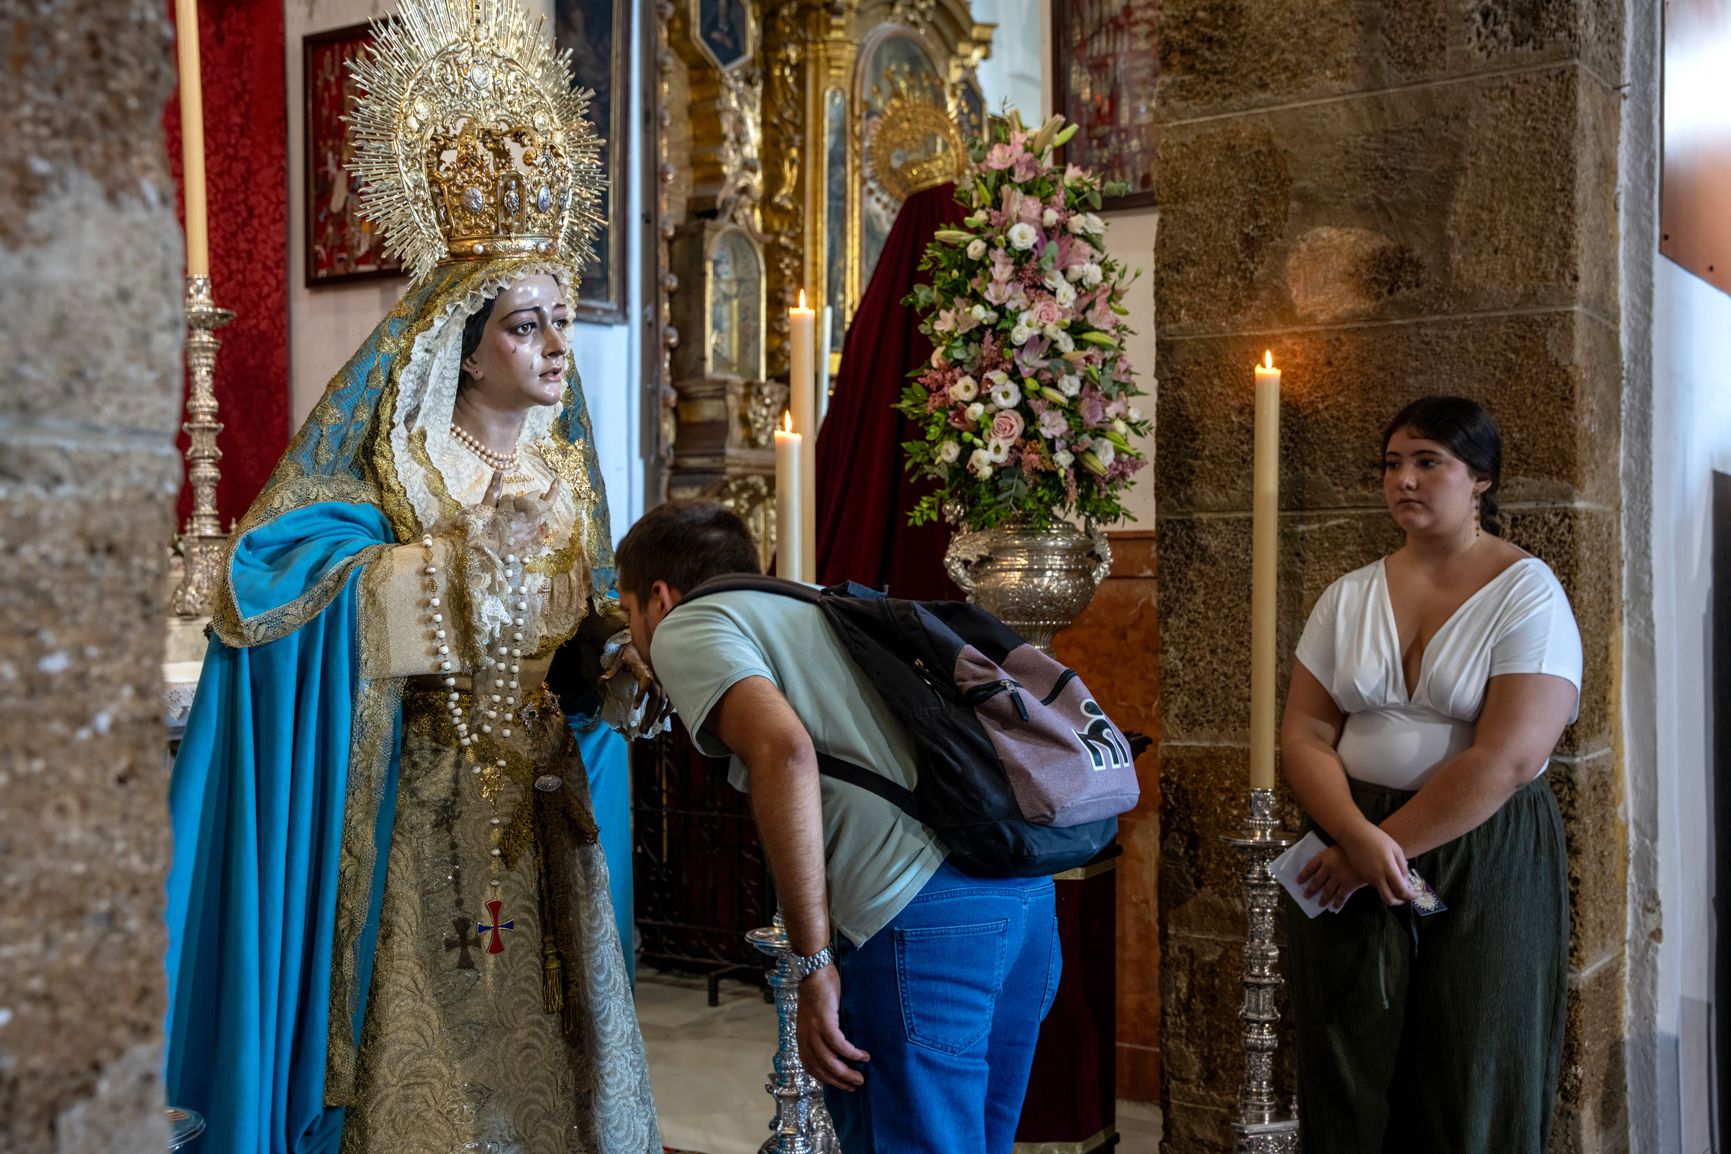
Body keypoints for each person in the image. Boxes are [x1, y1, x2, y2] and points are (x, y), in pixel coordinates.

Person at [162, 1, 660, 1149]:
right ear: (459, 338)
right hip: (422, 814)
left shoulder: (570, 476)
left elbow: (580, 638)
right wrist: (444, 568)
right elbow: (269, 580)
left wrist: (621, 664)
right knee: (425, 1061)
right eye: (524, 324)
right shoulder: (403, 466)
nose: (551, 347)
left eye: (559, 322)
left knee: (553, 1059)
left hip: (546, 820)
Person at [615, 499, 1063, 1154]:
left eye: (627, 614)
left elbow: (783, 751)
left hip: (917, 914)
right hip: (1017, 894)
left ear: (657, 596)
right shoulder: (814, 604)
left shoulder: (688, 623)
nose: (633, 635)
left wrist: (812, 958)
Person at [1280, 396, 1581, 1151]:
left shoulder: (1527, 591)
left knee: (1474, 1056)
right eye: (1391, 464)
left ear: (1478, 478)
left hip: (1481, 845)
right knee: (1347, 1056)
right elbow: (1306, 731)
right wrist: (1354, 837)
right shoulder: (1347, 595)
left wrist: (1384, 846)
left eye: (1427, 462)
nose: (1403, 480)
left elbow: (1507, 755)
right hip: (1346, 838)